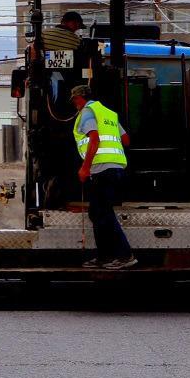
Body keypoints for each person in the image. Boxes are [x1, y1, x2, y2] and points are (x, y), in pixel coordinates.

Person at [70, 84, 137, 270]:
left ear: (79, 98)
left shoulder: (87, 112)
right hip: (116, 168)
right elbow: (126, 140)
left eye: (74, 100)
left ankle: (125, 255)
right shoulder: (108, 113)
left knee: (104, 213)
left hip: (102, 170)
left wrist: (85, 168)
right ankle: (104, 256)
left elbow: (95, 138)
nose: (74, 104)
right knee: (97, 212)